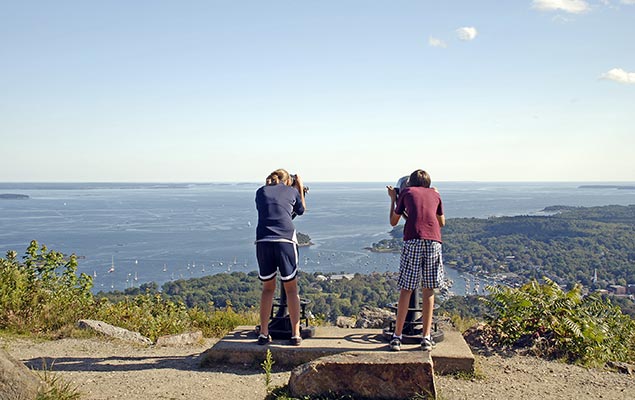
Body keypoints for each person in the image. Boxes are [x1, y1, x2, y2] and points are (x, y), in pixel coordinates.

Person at [386, 169, 445, 352]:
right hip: (434, 241)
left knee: (407, 289)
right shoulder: (435, 194)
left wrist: (393, 199)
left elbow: (393, 221)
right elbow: (441, 222)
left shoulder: (406, 192)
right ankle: (425, 338)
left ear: (409, 183)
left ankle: (397, 337)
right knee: (428, 290)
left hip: (413, 240)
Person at [254, 168, 306, 346]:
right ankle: (295, 334)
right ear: (288, 181)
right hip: (285, 240)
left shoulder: (260, 192)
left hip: (263, 240)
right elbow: (301, 210)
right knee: (291, 289)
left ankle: (263, 333)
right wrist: (299, 187)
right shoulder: (292, 191)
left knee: (268, 289)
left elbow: (274, 211)